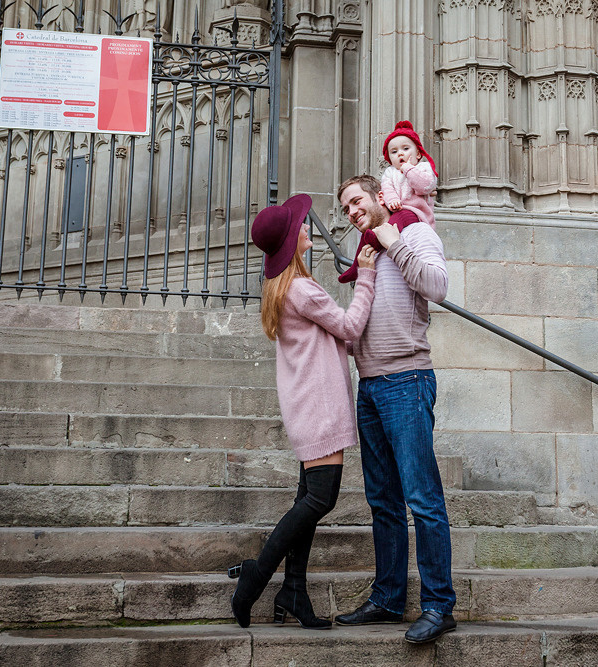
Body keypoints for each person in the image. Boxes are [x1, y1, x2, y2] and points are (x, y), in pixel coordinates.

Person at [228, 193, 378, 629]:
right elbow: (349, 326)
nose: (308, 228)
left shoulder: (283, 288)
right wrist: (365, 277)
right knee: (320, 498)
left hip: (307, 403)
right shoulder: (303, 288)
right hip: (319, 405)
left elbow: (336, 338)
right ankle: (256, 576)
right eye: (301, 227)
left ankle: (293, 590)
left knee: (306, 498)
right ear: (292, 240)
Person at [333, 174, 456, 644]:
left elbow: (437, 286)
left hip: (407, 381)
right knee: (382, 502)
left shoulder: (415, 231)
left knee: (422, 499)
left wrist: (394, 241)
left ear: (380, 196)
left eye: (357, 201)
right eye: (344, 207)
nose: (351, 211)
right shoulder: (367, 252)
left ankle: (439, 605)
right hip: (370, 386)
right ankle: (387, 599)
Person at [336, 121, 437, 284]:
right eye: (394, 152)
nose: (400, 154)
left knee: (389, 226)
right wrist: (392, 201)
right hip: (398, 209)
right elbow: (387, 190)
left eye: (406, 149)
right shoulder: (390, 173)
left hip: (415, 213)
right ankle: (355, 266)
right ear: (389, 158)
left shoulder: (423, 168)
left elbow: (424, 185)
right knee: (365, 237)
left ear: (418, 153)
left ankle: (376, 240)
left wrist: (408, 169)